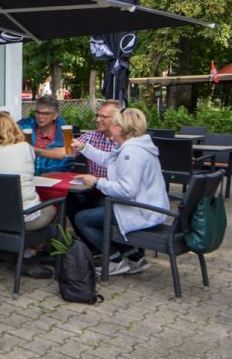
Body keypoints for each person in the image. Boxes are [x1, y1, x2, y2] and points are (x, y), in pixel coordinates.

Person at [72, 108, 168, 276]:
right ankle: (134, 258)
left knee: (82, 219)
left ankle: (115, 260)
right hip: (149, 206)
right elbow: (108, 159)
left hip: (141, 211)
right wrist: (84, 147)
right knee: (101, 209)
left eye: (113, 123)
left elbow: (127, 190)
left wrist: (97, 182)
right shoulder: (135, 146)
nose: (109, 125)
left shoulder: (131, 153)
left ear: (120, 128)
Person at [0, 112, 57, 277]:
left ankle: (19, 250)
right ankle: (31, 254)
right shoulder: (25, 148)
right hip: (21, 217)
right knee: (53, 208)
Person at [66, 100, 120, 248]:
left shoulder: (124, 143)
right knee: (69, 200)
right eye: (97, 115)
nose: (98, 119)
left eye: (103, 117)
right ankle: (89, 245)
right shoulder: (91, 136)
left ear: (117, 119)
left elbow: (108, 161)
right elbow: (68, 153)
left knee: (87, 216)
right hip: (92, 189)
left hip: (113, 194)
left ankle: (112, 251)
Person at [17, 95, 73, 173]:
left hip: (53, 176)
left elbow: (67, 157)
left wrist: (32, 150)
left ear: (54, 116)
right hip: (24, 174)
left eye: (46, 113)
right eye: (38, 112)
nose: (40, 116)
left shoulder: (64, 134)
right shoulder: (23, 127)